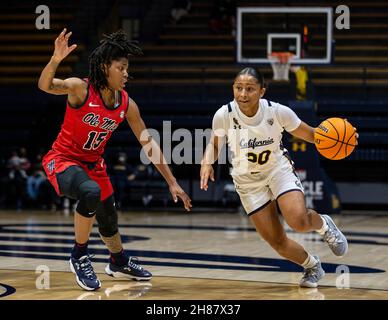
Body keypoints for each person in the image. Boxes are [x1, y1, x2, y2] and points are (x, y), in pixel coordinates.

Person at [38, 28, 192, 291]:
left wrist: (172, 181)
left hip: (93, 164)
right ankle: (79, 255)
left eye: (127, 68)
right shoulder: (80, 89)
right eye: (120, 68)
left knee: (108, 216)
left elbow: (148, 142)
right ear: (103, 67)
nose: (126, 74)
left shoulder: (126, 104)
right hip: (62, 160)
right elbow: (45, 86)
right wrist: (55, 59)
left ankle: (118, 261)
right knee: (90, 192)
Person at [200, 67, 358, 288]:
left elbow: (314, 135)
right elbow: (214, 144)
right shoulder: (224, 115)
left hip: (277, 171)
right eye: (238, 88)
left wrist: (346, 135)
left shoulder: (278, 112)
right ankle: (313, 266)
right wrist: (207, 162)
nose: (243, 94)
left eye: (250, 89)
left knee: (298, 221)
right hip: (247, 182)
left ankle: (324, 225)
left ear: (262, 91)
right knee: (277, 241)